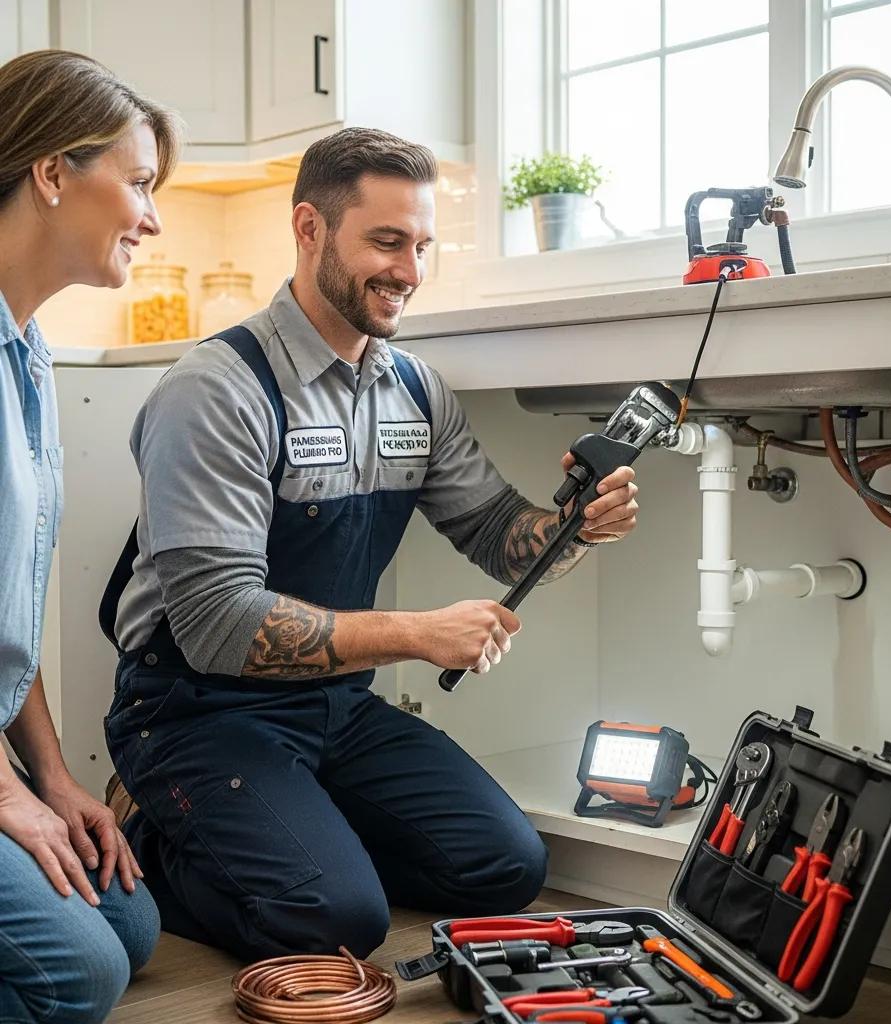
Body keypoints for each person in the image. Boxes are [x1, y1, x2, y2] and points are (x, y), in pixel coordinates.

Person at [103, 126, 641, 963]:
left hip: (334, 705)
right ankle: (153, 836)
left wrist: (577, 524)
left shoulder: (414, 391)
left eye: (422, 245)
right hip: (193, 712)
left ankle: (296, 837)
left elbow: (504, 539)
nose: (410, 271)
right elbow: (216, 625)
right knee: (335, 922)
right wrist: (418, 635)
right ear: (310, 228)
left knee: (507, 865)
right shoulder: (216, 390)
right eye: (387, 241)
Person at [0, 50, 181, 1023]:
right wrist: (7, 798)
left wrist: (56, 781)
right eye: (139, 181)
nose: (151, 217)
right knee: (82, 974)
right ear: (52, 171)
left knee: (131, 925)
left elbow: (8, 613)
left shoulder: (26, 351)